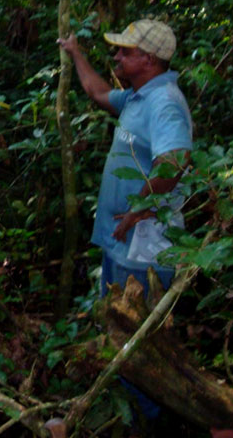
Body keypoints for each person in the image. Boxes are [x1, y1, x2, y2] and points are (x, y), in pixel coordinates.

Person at [57, 19, 193, 297]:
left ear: (149, 59)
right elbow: (99, 92)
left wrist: (140, 208)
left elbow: (174, 161)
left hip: (144, 246)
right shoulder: (138, 97)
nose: (117, 56)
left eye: (125, 52)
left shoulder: (164, 102)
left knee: (135, 324)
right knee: (114, 323)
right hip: (121, 239)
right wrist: (74, 52)